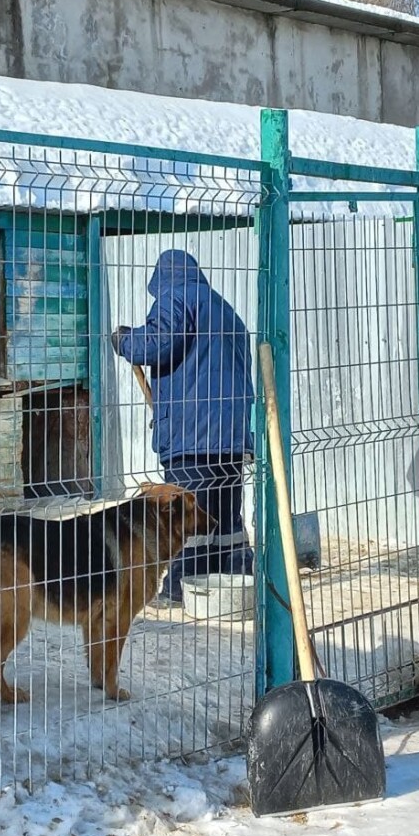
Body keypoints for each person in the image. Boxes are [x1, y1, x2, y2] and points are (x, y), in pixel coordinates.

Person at [111, 249, 256, 605]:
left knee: (186, 516)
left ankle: (178, 589)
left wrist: (126, 341)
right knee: (223, 517)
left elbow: (158, 342)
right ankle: (238, 580)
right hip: (231, 434)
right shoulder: (225, 310)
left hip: (194, 432)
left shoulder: (175, 298)